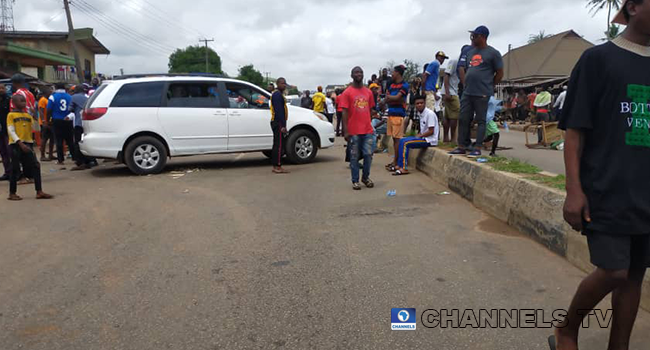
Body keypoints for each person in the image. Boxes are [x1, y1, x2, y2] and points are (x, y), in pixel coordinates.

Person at [550, 1, 650, 350]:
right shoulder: (598, 60)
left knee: (635, 274)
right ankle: (566, 329)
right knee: (614, 271)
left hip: (646, 192)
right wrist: (574, 189)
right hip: (606, 189)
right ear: (634, 7)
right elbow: (575, 131)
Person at [450, 25, 504, 158]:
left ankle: (478, 147)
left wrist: (490, 86)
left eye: (475, 35)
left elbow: (500, 73)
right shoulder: (470, 53)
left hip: (483, 92)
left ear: (483, 37)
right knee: (463, 118)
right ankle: (462, 146)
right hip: (468, 91)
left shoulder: (493, 53)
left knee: (481, 120)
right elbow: (467, 69)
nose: (472, 38)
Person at [6, 94, 53, 201]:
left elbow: (36, 128)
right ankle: (12, 193)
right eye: (21, 101)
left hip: (28, 143)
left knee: (35, 166)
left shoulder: (27, 115)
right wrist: (19, 143)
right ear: (14, 103)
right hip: (16, 144)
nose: (24, 103)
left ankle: (39, 191)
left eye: (24, 101)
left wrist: (35, 116)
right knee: (14, 168)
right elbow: (11, 130)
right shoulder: (11, 115)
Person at [340, 66, 376, 191]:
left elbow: (371, 109)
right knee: (354, 157)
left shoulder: (368, 92)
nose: (359, 74)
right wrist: (346, 130)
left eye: (361, 72)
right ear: (352, 75)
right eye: (356, 72)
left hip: (367, 130)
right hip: (353, 131)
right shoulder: (347, 92)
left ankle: (365, 177)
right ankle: (355, 180)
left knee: (368, 155)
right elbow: (344, 112)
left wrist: (369, 122)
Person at [393, 95, 439, 176]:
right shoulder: (421, 113)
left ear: (425, 103)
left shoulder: (430, 114)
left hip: (430, 140)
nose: (419, 105)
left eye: (421, 103)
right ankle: (399, 165)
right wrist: (419, 135)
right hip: (424, 138)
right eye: (417, 103)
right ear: (415, 105)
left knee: (405, 143)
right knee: (402, 140)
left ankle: (403, 167)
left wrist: (420, 136)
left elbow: (431, 131)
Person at [384, 65, 409, 171]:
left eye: (393, 72)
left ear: (398, 73)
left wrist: (391, 98)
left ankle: (397, 163)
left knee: (397, 140)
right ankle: (395, 161)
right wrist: (392, 99)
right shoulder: (392, 85)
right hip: (391, 114)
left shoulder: (404, 85)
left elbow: (398, 98)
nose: (392, 74)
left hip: (398, 115)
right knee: (394, 140)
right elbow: (390, 99)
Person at [47, 83, 75, 167]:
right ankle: (74, 157)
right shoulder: (69, 96)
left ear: (56, 88)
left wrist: (48, 120)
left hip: (57, 120)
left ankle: (60, 160)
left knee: (59, 140)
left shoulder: (53, 97)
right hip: (68, 119)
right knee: (70, 140)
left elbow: (49, 109)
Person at [70, 85, 93, 171]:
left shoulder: (74, 97)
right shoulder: (88, 97)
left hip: (78, 123)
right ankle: (90, 161)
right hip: (87, 123)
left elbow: (70, 108)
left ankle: (80, 162)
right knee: (86, 141)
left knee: (77, 143)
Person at [270, 78, 289, 174]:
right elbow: (279, 111)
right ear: (277, 84)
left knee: (277, 144)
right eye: (282, 83)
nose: (284, 85)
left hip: (278, 122)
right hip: (278, 122)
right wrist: (283, 125)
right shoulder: (277, 95)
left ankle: (275, 165)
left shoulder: (278, 94)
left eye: (285, 83)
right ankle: (277, 166)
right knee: (279, 145)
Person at [443, 54, 462, 143]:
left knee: (447, 115)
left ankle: (446, 138)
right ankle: (453, 137)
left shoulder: (462, 64)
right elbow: (446, 75)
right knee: (454, 115)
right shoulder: (454, 61)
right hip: (450, 92)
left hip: (452, 91)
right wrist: (447, 92)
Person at [38, 86, 55, 161]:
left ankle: (50, 154)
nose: (51, 93)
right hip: (45, 123)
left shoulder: (47, 100)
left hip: (50, 122)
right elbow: (41, 111)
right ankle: (42, 155)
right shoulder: (43, 100)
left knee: (52, 138)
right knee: (44, 139)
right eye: (50, 92)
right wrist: (44, 121)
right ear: (46, 93)